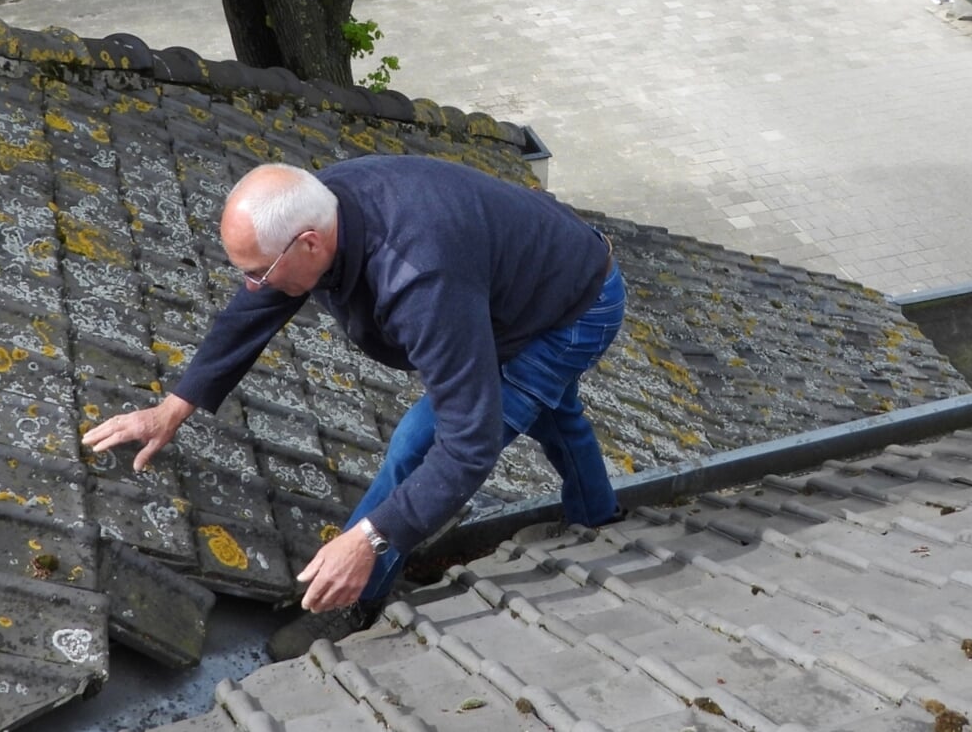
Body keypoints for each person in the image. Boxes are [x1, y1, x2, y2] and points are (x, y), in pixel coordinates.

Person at [80, 156, 625, 659]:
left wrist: (369, 537)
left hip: (576, 309)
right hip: (531, 280)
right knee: (550, 406)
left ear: (311, 245)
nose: (253, 286)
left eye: (259, 272)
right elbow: (255, 308)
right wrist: (173, 407)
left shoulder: (420, 275)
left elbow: (467, 443)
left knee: (420, 441)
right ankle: (597, 514)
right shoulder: (323, 204)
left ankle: (350, 600)